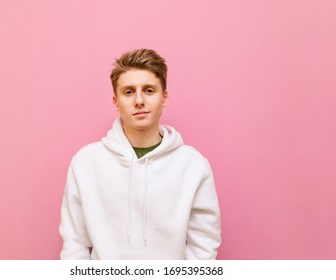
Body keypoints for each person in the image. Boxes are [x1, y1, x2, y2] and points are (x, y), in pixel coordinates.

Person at [59, 49, 221, 259]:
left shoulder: (193, 165)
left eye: (149, 90)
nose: (139, 100)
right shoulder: (86, 162)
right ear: (116, 101)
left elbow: (203, 245)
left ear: (164, 97)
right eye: (128, 92)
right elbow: (74, 244)